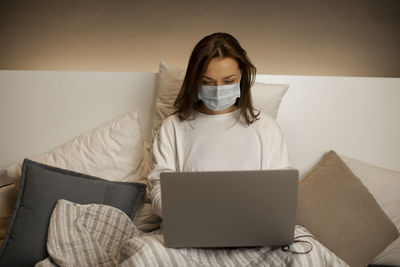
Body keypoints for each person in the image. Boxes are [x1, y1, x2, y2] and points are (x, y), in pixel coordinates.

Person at [148, 32, 291, 218]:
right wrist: (192, 213)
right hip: (191, 227)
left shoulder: (266, 127)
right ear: (194, 81)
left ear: (242, 77)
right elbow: (159, 192)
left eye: (228, 81)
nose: (217, 90)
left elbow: (281, 191)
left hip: (252, 227)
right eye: (207, 82)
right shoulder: (172, 128)